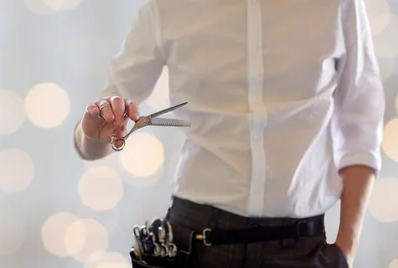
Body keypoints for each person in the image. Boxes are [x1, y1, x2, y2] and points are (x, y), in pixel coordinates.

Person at [73, 0, 385, 267]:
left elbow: (361, 129)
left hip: (302, 248)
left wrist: (345, 251)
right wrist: (92, 134)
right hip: (194, 244)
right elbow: (98, 137)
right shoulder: (167, 7)